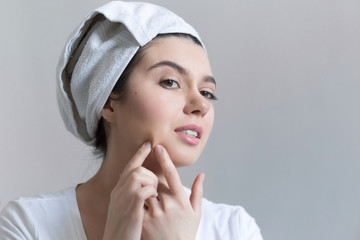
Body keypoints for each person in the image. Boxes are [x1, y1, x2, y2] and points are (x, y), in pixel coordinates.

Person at [0, 1, 263, 239]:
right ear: (107, 102)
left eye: (207, 92)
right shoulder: (28, 224)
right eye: (170, 82)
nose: (201, 105)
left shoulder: (235, 229)